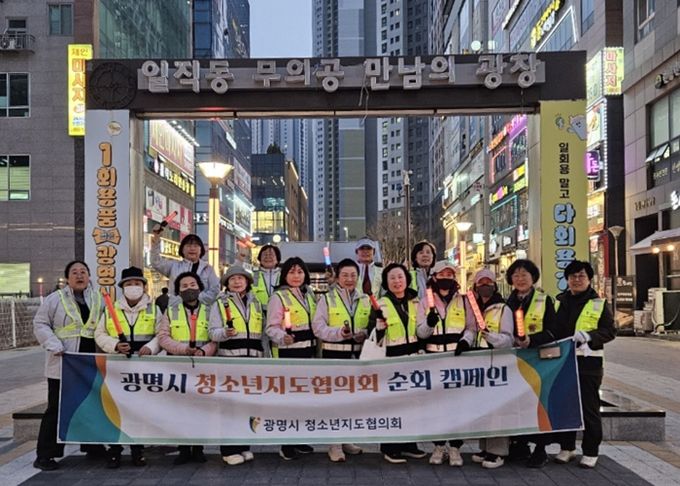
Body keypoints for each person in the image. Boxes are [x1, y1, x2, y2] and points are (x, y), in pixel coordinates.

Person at [527, 260, 616, 469]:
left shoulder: (598, 304)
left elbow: (610, 331)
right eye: (572, 276)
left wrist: (589, 336)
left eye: (581, 276)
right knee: (565, 405)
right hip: (562, 363)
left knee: (588, 408)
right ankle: (567, 447)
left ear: (589, 279)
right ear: (567, 280)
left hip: (588, 364)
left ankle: (591, 450)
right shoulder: (559, 302)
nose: (577, 280)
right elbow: (552, 330)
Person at [32, 261, 105, 470]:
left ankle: (92, 446)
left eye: (83, 272)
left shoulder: (98, 299)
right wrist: (53, 344)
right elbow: (40, 323)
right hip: (64, 361)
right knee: (56, 408)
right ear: (67, 278)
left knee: (91, 405)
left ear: (89, 276)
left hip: (89, 363)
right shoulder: (55, 299)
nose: (79, 275)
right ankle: (45, 455)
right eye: (74, 272)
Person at [94, 266, 161, 468]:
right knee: (117, 409)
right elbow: (100, 334)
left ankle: (137, 450)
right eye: (129, 284)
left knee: (139, 410)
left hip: (143, 368)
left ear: (144, 286)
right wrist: (115, 345)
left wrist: (151, 347)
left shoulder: (154, 309)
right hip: (118, 369)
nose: (133, 287)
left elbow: (161, 334)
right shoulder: (111, 309)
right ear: (122, 287)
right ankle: (114, 450)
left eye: (137, 283)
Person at [157, 272, 219, 465]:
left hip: (203, 365)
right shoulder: (171, 311)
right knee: (179, 409)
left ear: (200, 287)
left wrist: (204, 351)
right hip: (178, 366)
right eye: (184, 286)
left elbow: (215, 338)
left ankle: (198, 448)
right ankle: (183, 449)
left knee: (201, 408)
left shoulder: (210, 310)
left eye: (193, 284)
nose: (189, 288)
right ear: (178, 291)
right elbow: (163, 337)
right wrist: (183, 349)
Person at [312, 258, 369, 462]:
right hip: (334, 356)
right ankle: (334, 444)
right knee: (335, 401)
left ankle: (346, 439)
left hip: (358, 356)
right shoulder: (327, 299)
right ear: (337, 277)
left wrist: (364, 333)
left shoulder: (365, 299)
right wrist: (338, 333)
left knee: (352, 401)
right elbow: (318, 328)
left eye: (353, 275)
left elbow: (371, 325)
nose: (349, 279)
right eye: (345, 275)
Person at [456, 268, 514, 469]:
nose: (485, 286)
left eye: (488, 282)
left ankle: (497, 451)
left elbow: (509, 339)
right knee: (483, 406)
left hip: (497, 364)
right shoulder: (474, 307)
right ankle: (485, 447)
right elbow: (472, 329)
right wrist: (465, 341)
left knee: (497, 408)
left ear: (495, 285)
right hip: (478, 363)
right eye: (481, 282)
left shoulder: (503, 309)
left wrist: (492, 337)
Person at [369, 263, 426, 464]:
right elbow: (372, 336)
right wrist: (379, 327)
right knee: (392, 406)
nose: (397, 281)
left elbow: (421, 331)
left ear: (407, 279)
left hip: (413, 360)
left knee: (412, 405)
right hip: (391, 362)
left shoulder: (416, 302)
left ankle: (410, 444)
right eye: (392, 278)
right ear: (386, 282)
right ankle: (390, 447)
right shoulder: (380, 304)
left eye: (400, 277)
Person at [210, 266, 267, 466]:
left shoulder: (256, 303)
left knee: (248, 406)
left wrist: (265, 358)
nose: (237, 282)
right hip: (230, 361)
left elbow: (263, 334)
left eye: (240, 278)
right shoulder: (220, 303)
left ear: (247, 282)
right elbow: (212, 332)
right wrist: (225, 333)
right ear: (227, 283)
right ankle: (228, 449)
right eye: (232, 279)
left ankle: (244, 445)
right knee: (230, 406)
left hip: (253, 361)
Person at [505, 259, 557, 468]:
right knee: (516, 403)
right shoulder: (507, 303)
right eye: (516, 275)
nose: (520, 279)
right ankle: (520, 445)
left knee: (538, 404)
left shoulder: (545, 300)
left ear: (533, 277)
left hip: (539, 359)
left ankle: (541, 449)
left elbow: (554, 331)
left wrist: (532, 340)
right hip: (515, 359)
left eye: (524, 274)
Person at [265, 257, 318, 461]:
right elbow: (271, 327)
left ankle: (299, 438)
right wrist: (282, 337)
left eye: (300, 272)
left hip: (308, 352)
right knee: (288, 400)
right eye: (292, 272)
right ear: (284, 275)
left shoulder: (309, 295)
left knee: (303, 400)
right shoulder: (278, 297)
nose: (296, 276)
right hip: (288, 353)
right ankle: (286, 443)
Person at [416, 260, 466, 466]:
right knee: (436, 406)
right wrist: (428, 324)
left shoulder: (464, 300)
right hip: (434, 360)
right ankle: (438, 446)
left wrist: (465, 341)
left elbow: (472, 327)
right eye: (442, 275)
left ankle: (455, 447)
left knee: (458, 405)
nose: (446, 278)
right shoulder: (424, 301)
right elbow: (419, 332)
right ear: (434, 277)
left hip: (458, 360)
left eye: (450, 275)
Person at [150, 227, 220, 305]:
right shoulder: (174, 266)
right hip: (177, 309)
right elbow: (156, 262)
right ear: (182, 249)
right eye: (188, 246)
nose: (192, 248)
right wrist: (156, 240)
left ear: (201, 250)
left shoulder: (208, 269)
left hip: (202, 310)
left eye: (196, 246)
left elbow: (215, 291)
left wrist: (196, 298)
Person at [252, 244, 282, 312]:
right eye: (265, 255)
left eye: (271, 255)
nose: (267, 257)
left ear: (277, 259)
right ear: (260, 259)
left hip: (280, 313)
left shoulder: (284, 275)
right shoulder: (253, 275)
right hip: (257, 314)